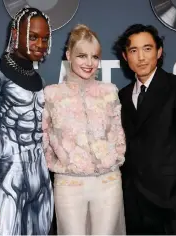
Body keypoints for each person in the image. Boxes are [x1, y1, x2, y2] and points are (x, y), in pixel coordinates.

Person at [113, 24, 176, 235]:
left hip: (170, 204)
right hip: (132, 204)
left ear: (159, 51)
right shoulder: (122, 96)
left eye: (147, 48)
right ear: (126, 57)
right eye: (134, 51)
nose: (141, 57)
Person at [0, 7, 54, 235]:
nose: (40, 44)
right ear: (15, 33)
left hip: (40, 179)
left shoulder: (39, 80)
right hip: (7, 178)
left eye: (45, 38)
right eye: (32, 36)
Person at [42, 24, 126, 235]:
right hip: (69, 183)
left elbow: (118, 132)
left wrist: (114, 158)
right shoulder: (52, 94)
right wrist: (59, 161)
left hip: (108, 181)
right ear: (69, 55)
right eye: (82, 56)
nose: (89, 63)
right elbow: (43, 136)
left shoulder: (109, 92)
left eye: (95, 57)